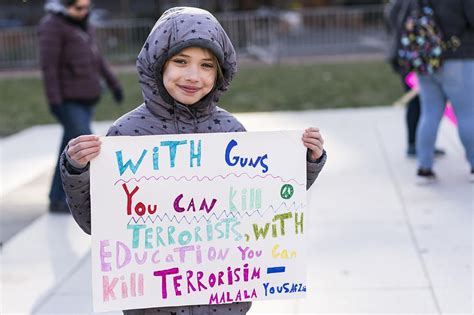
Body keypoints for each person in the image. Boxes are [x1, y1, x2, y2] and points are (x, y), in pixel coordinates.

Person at [59, 7, 327, 315]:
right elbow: (97, 222)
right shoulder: (126, 135)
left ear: (220, 73)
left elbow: (267, 205)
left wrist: (305, 161)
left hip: (225, 301)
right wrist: (77, 170)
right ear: (158, 63)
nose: (193, 76)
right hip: (154, 304)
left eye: (206, 65)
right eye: (181, 61)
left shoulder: (231, 133)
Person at [38, 0, 124, 213]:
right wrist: (55, 102)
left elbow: (98, 59)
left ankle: (57, 199)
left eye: (87, 7)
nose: (84, 12)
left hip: (87, 98)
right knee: (85, 146)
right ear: (64, 6)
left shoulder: (85, 24)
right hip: (68, 100)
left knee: (68, 147)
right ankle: (83, 198)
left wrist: (115, 85)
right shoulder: (52, 26)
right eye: (78, 8)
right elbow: (49, 67)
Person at [413, 0, 474, 184]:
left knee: (429, 114)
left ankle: (424, 168)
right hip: (459, 58)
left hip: (426, 59)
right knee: (467, 115)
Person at [384, 0, 446, 158]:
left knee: (420, 102)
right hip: (413, 60)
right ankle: (416, 145)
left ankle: (421, 144)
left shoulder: (396, 4)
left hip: (406, 58)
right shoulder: (409, 3)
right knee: (418, 102)